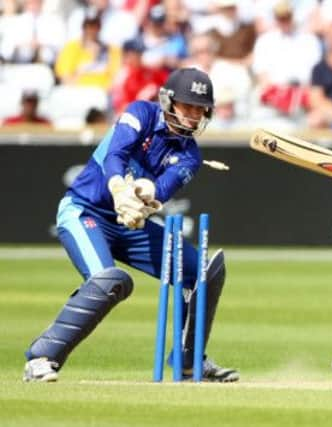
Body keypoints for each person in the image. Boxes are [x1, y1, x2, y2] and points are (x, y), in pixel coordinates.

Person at [23, 67, 239, 383]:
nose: (194, 115)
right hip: (85, 212)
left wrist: (145, 197)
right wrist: (118, 188)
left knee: (202, 273)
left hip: (129, 226)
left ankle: (189, 361)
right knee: (108, 281)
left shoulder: (190, 154)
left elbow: (162, 190)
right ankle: (42, 359)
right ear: (169, 101)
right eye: (187, 105)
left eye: (200, 108)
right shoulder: (142, 114)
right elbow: (115, 154)